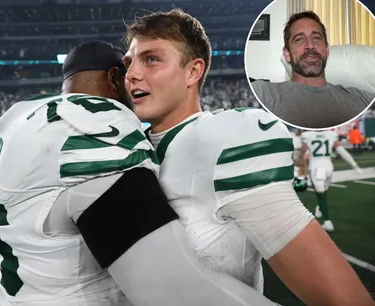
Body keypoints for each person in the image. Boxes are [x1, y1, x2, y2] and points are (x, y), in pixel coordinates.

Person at [0, 40, 276, 306]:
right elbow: (172, 290)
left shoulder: (20, 120)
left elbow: (44, 214)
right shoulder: (93, 126)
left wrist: (28, 254)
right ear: (114, 78)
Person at [122, 8, 374, 305]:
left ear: (193, 71)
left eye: (151, 59)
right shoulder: (127, 149)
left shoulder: (227, 140)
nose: (132, 74)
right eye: (129, 63)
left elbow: (344, 299)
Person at [251, 11, 375, 129]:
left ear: (326, 51)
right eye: (299, 39)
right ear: (287, 54)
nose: (310, 45)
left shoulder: (362, 98)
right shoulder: (263, 92)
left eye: (316, 38)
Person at [300, 130, 362, 231]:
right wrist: (355, 165)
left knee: (320, 192)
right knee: (323, 191)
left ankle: (327, 222)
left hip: (317, 167)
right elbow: (342, 151)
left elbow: (303, 151)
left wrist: (299, 162)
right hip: (329, 167)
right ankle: (320, 207)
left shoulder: (307, 135)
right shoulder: (330, 134)